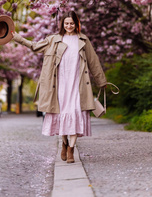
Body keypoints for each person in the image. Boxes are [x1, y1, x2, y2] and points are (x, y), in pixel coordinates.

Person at [11, 11, 107, 163]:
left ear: (77, 24)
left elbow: (93, 61)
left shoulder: (83, 40)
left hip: (77, 84)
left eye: (72, 23)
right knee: (62, 114)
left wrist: (102, 81)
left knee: (75, 112)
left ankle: (71, 150)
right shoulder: (54, 39)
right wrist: (17, 38)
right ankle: (64, 142)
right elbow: (35, 46)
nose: (69, 26)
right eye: (66, 23)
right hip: (59, 85)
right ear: (62, 24)